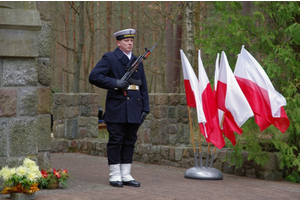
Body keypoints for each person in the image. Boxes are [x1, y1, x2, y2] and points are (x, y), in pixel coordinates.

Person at [89, 29, 149, 188]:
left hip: (135, 106)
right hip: (117, 106)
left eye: (131, 41)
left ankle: (126, 174)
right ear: (118, 43)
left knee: (130, 140)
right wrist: (115, 83)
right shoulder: (110, 58)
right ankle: (115, 174)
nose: (130, 43)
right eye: (126, 41)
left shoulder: (137, 61)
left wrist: (146, 107)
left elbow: (143, 86)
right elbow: (94, 76)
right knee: (116, 140)